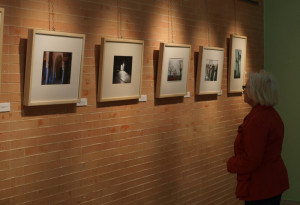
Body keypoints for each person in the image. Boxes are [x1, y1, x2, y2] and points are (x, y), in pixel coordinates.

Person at [227, 71, 289, 205]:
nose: (243, 90)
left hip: (261, 185)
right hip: (271, 181)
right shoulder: (270, 114)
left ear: (256, 92)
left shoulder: (258, 120)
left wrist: (232, 164)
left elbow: (252, 158)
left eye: (246, 87)